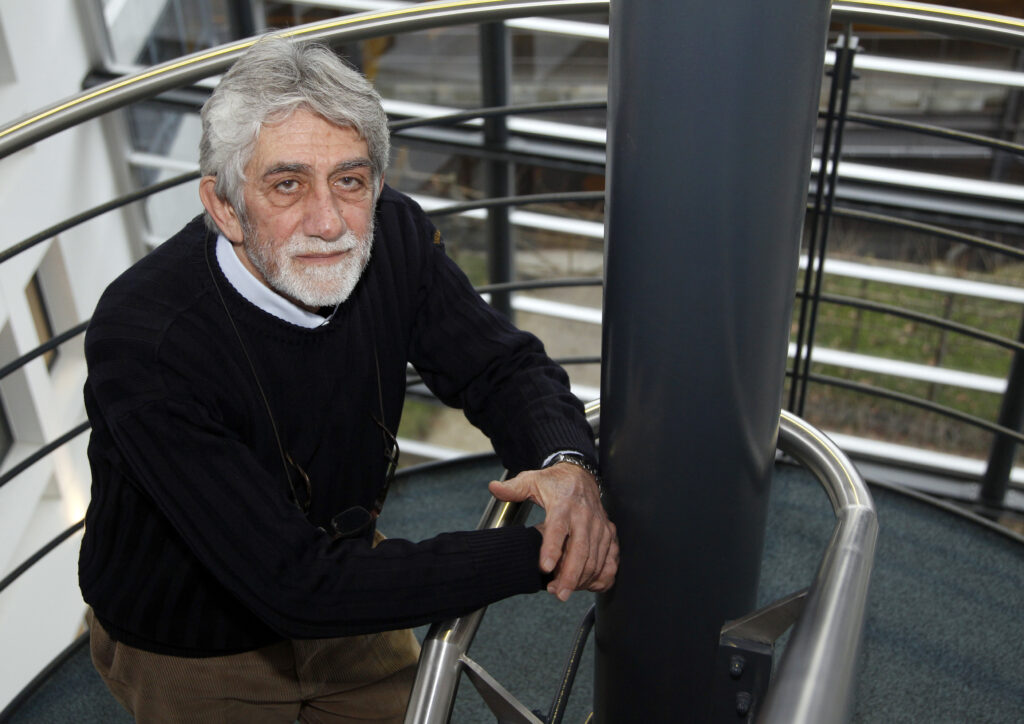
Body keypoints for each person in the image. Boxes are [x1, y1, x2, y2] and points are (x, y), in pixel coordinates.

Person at [78, 35, 617, 723]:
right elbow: (292, 584)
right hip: (193, 642)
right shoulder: (147, 343)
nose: (329, 222)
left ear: (378, 184)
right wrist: (543, 553)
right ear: (223, 206)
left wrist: (565, 465)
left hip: (347, 578)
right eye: (287, 183)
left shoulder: (390, 237)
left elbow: (498, 365)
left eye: (350, 180)